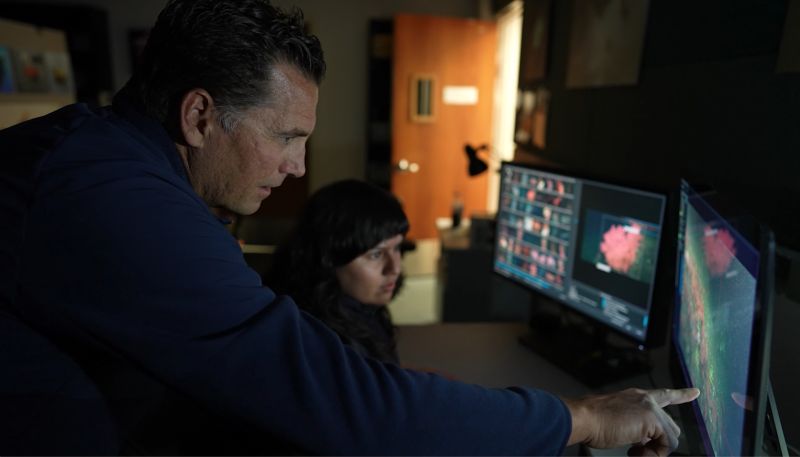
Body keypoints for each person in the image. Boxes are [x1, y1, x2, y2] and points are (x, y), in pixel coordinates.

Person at [0, 0, 699, 454]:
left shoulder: (108, 158)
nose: (299, 166)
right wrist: (580, 417)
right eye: (285, 136)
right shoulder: (109, 197)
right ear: (199, 115)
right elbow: (349, 405)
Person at [269, 179, 408, 363]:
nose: (395, 268)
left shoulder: (358, 310)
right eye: (376, 254)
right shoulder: (322, 344)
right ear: (329, 259)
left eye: (397, 248)